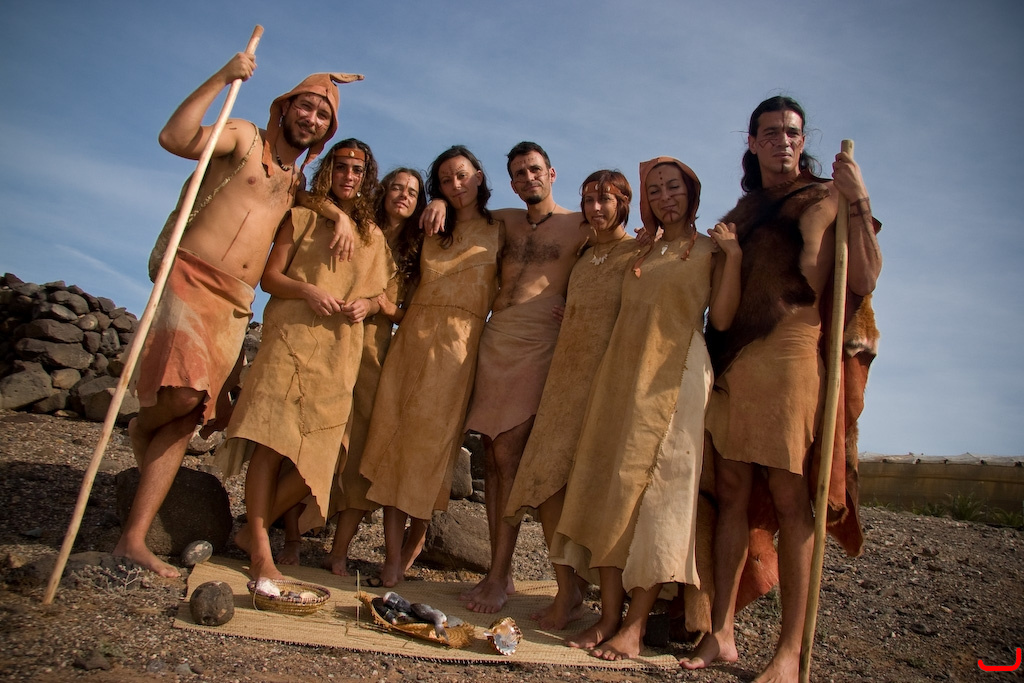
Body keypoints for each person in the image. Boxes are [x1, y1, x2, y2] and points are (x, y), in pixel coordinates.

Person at [114, 52, 359, 578]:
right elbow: (175, 138)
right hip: (191, 275)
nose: (312, 118)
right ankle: (140, 426)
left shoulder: (294, 180)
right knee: (183, 398)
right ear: (284, 107)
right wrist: (223, 77)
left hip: (235, 301)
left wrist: (338, 215)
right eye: (306, 106)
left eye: (323, 115)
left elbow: (310, 202)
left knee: (193, 414)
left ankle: (134, 538)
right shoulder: (245, 137)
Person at [681, 96, 882, 682]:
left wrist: (860, 198)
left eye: (791, 132)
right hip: (732, 363)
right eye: (770, 133)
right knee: (732, 496)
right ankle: (721, 632)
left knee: (794, 500)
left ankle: (790, 651)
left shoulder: (829, 197)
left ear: (803, 139)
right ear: (752, 142)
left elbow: (865, 276)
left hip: (792, 356)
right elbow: (722, 305)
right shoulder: (742, 213)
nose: (782, 141)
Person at [550, 157, 741, 661]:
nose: (664, 196)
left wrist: (734, 257)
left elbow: (721, 319)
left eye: (673, 187)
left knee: (658, 496)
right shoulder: (641, 248)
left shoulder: (711, 250)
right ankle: (608, 618)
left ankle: (634, 626)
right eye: (654, 189)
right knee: (609, 486)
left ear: (692, 192)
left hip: (675, 375)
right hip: (620, 371)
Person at [423, 141, 589, 614]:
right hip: (497, 337)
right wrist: (439, 201)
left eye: (534, 169)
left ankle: (501, 576)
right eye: (518, 173)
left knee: (509, 453)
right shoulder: (504, 221)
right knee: (494, 458)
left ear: (551, 173)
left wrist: (580, 309)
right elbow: (464, 212)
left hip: (540, 341)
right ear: (511, 182)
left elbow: (613, 258)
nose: (527, 178)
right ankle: (502, 572)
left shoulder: (580, 224)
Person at [214, 138, 390, 581]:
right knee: (270, 443)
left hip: (338, 354)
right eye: (342, 166)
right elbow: (271, 278)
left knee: (327, 454)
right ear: (329, 169)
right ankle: (260, 546)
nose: (349, 176)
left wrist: (367, 305)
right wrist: (308, 290)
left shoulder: (373, 236)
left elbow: (383, 294)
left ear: (366, 177)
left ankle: (251, 530)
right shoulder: (302, 216)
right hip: (289, 341)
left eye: (358, 170)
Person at [359, 146, 502, 587]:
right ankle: (391, 555)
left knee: (432, 451)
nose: (454, 186)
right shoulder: (431, 225)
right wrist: (435, 203)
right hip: (412, 339)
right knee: (394, 440)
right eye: (443, 181)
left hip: (459, 349)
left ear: (479, 176)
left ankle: (413, 546)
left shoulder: (503, 227)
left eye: (461, 176)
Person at [503, 170, 639, 630]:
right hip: (563, 379)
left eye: (605, 200)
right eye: (588, 200)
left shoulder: (636, 253)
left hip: (606, 383)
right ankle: (569, 591)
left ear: (624, 202)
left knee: (594, 489)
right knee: (545, 484)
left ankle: (597, 601)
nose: (595, 208)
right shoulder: (583, 253)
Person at [321, 167, 427, 575]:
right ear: (383, 192)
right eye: (397, 187)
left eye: (412, 192)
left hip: (374, 353)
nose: (403, 195)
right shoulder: (360, 225)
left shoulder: (416, 253)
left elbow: (410, 314)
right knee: (319, 436)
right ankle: (290, 535)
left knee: (359, 454)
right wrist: (339, 216)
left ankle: (338, 550)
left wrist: (384, 306)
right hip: (332, 335)